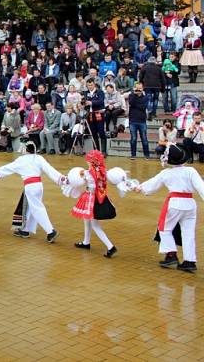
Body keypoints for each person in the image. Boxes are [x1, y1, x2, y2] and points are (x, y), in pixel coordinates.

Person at [135, 144, 204, 273]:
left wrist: (140, 187)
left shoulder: (166, 173)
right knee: (188, 232)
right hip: (190, 203)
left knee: (164, 228)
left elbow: (152, 185)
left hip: (175, 203)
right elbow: (201, 188)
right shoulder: (191, 171)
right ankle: (190, 260)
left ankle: (171, 254)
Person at [0, 141, 65, 242]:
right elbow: (49, 169)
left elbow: (7, 168)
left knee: (37, 209)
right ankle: (25, 230)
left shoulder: (21, 160)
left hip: (30, 186)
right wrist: (61, 178)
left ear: (26, 150)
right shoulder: (39, 158)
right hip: (39, 186)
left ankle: (51, 231)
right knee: (30, 207)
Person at [67, 150, 118, 258]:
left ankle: (110, 246)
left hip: (91, 199)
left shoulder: (87, 173)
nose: (87, 162)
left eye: (89, 160)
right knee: (87, 220)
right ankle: (86, 242)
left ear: (91, 162)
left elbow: (77, 181)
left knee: (95, 225)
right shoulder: (103, 171)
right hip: (101, 197)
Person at [127, 82, 150, 159]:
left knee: (144, 139)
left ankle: (146, 155)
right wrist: (134, 94)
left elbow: (143, 107)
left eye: (140, 88)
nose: (138, 90)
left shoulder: (146, 97)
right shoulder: (131, 96)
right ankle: (133, 155)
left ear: (142, 88)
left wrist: (135, 105)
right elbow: (131, 102)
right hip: (132, 120)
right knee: (133, 139)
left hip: (142, 121)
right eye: (137, 88)